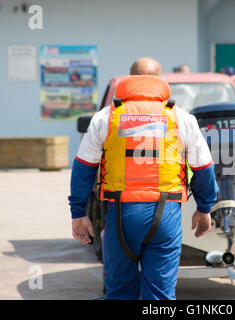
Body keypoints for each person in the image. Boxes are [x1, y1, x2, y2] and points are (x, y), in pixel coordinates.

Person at [68, 57, 218, 300]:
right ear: (160, 81)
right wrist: (204, 208)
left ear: (130, 79)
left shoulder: (106, 117)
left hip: (119, 216)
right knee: (159, 295)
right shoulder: (182, 118)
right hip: (165, 214)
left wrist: (78, 213)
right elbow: (203, 168)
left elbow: (84, 167)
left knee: (119, 291)